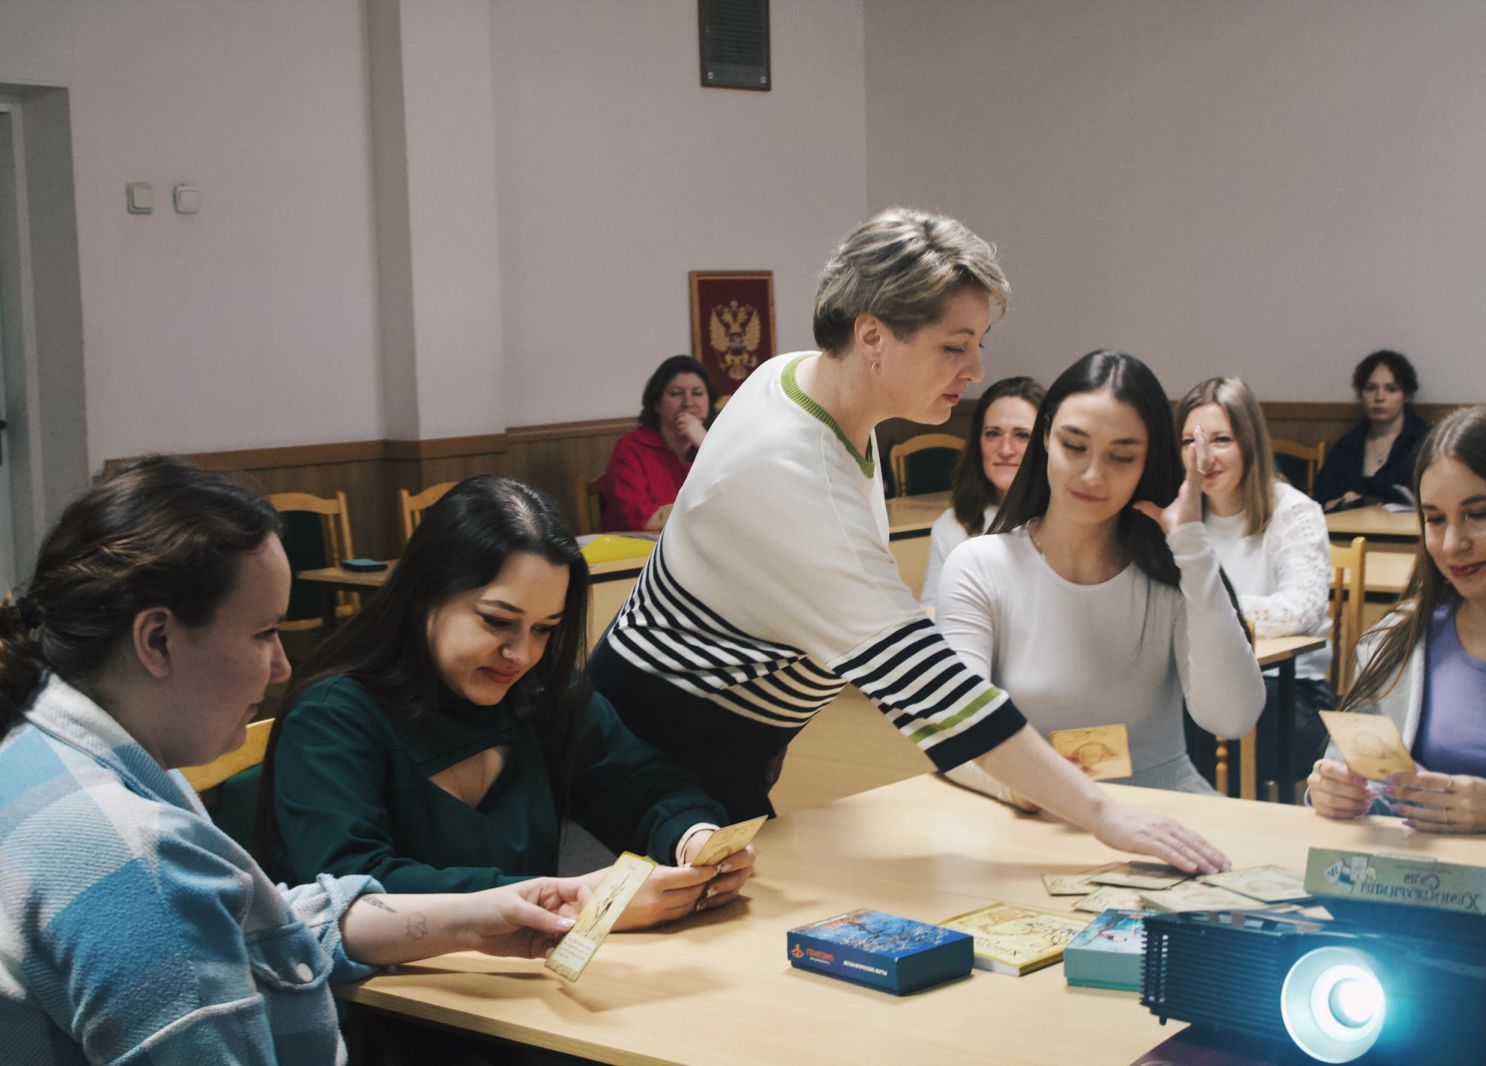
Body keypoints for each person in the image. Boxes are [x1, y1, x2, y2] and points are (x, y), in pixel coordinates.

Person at [588, 207, 1231, 874]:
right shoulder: (790, 469)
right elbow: (933, 687)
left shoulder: (802, 380)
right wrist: (1105, 814)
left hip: (713, 745)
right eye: (954, 346)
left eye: (979, 343)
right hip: (646, 753)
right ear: (871, 336)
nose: (976, 368)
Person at [0, 457, 590, 1064]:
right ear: (157, 640)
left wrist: (470, 917)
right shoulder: (139, 864)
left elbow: (262, 930)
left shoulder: (37, 746)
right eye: (264, 633)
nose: (282, 667)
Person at [259, 475, 755, 928]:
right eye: (497, 621)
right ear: (423, 594)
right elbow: (353, 891)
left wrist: (693, 839)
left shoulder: (540, 693)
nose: (521, 655)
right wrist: (568, 900)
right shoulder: (332, 717)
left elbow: (644, 786)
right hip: (379, 1006)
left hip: (513, 986)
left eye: (544, 629)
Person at [936, 352, 1265, 803]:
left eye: (1122, 457)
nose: (1093, 475)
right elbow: (954, 735)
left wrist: (1192, 545)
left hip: (1167, 811)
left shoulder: (1170, 570)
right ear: (1047, 436)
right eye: (1075, 446)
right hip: (1032, 815)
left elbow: (1232, 717)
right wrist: (1033, 791)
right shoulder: (980, 566)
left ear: (1148, 463)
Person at [1307, 406, 1486, 838]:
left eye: (1478, 514)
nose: (1452, 544)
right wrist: (1331, 792)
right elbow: (1349, 770)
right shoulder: (1392, 642)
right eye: (1435, 519)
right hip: (1403, 894)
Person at [1177, 376, 1335, 787]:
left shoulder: (1294, 512)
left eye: (1222, 439)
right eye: (1190, 441)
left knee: (1200, 732)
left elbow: (1300, 609)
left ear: (1250, 442)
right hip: (1199, 686)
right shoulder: (1179, 517)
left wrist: (1208, 612)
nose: (1204, 456)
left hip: (1288, 691)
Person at [919, 375, 1043, 608]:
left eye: (1022, 435)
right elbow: (933, 612)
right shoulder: (952, 525)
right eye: (993, 433)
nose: (1005, 449)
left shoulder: (1066, 523)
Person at [601, 355, 717, 531]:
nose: (688, 402)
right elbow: (636, 516)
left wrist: (705, 443)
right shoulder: (630, 448)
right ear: (657, 404)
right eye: (676, 394)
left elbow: (740, 501)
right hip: (643, 550)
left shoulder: (716, 443)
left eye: (697, 393)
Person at [1313, 349, 1430, 512]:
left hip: (1408, 534)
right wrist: (1342, 502)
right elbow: (1319, 501)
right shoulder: (1347, 446)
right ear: (1361, 394)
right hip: (1349, 532)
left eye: (1391, 388)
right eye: (1370, 388)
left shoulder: (1425, 442)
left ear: (1407, 395)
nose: (1379, 397)